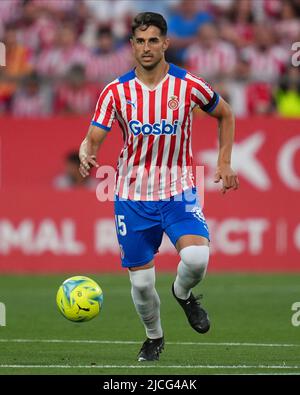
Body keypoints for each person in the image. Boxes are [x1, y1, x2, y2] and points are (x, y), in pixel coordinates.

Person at [79, 12, 239, 362]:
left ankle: (182, 293)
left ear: (166, 43)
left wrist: (225, 162)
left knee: (197, 258)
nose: (147, 47)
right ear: (132, 46)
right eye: (140, 41)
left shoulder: (189, 85)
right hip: (132, 195)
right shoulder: (115, 91)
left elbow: (226, 114)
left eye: (153, 40)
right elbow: (93, 138)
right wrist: (86, 154)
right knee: (140, 284)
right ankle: (154, 336)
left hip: (178, 188)